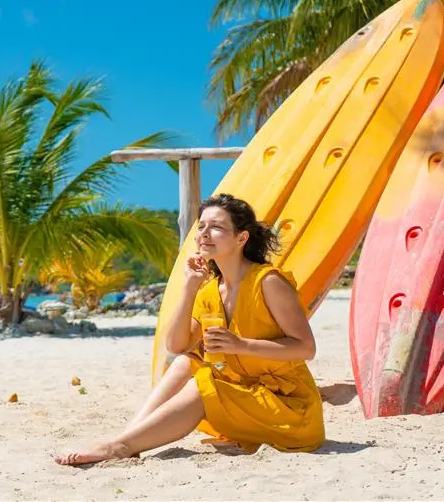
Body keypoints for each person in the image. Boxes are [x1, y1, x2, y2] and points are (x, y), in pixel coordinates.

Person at [54, 193, 325, 466]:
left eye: (216, 227)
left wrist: (241, 345)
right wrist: (189, 286)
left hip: (290, 410)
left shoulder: (267, 283)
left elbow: (306, 347)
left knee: (203, 384)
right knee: (188, 361)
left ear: (242, 238)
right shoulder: (209, 289)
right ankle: (129, 436)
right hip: (247, 395)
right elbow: (176, 345)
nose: (205, 234)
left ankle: (119, 447)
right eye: (202, 226)